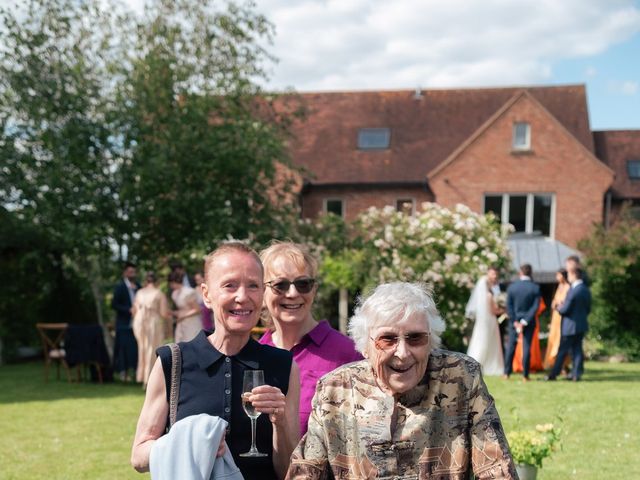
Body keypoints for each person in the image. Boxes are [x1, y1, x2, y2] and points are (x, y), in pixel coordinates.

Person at [287, 282, 517, 479]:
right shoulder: (336, 388)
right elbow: (306, 469)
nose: (403, 352)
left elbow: (496, 467)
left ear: (431, 340)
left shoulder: (459, 377)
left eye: (415, 338)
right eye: (388, 339)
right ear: (365, 346)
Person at [131, 242, 300, 479]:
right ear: (207, 295)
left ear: (262, 293)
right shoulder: (172, 362)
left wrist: (280, 422)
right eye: (230, 285)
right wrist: (193, 441)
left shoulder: (283, 366)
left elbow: (289, 472)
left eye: (253, 285)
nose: (242, 297)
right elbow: (138, 457)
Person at [258, 241, 362, 435]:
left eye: (303, 284)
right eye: (280, 285)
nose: (292, 293)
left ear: (313, 290)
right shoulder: (253, 356)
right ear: (262, 291)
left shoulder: (349, 354)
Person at [546, 266, 591, 382]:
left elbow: (565, 309)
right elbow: (588, 308)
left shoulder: (574, 290)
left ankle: (554, 374)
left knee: (562, 351)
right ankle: (575, 374)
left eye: (569, 275)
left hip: (570, 326)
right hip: (580, 325)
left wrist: (557, 306)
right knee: (577, 351)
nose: (568, 277)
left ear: (574, 275)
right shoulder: (585, 289)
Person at [132, 272, 171, 388]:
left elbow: (134, 310)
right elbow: (164, 313)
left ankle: (143, 377)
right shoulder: (159, 294)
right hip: (153, 322)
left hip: (139, 322)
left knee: (143, 349)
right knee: (152, 349)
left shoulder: (139, 292)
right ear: (157, 281)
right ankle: (150, 380)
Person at [503, 264, 540, 382]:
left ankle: (506, 373)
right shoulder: (535, 288)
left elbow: (509, 306)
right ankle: (525, 375)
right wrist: (525, 321)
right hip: (529, 322)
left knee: (510, 347)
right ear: (531, 273)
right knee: (527, 347)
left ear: (520, 272)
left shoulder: (512, 287)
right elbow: (535, 307)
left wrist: (515, 321)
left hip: (514, 321)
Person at [466, 266, 505, 375]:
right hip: (487, 319)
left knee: (489, 341)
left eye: (496, 274)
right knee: (483, 341)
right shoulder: (484, 285)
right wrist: (503, 310)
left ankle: (487, 364)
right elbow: (491, 308)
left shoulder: (494, 286)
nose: (495, 276)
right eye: (493, 273)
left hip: (490, 319)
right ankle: (478, 363)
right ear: (488, 273)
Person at [112, 261, 140, 381]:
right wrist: (128, 310)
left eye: (133, 272)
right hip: (124, 323)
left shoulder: (138, 287)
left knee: (134, 348)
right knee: (123, 348)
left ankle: (134, 372)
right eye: (130, 272)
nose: (132, 274)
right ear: (125, 273)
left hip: (137, 324)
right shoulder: (120, 287)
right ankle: (123, 372)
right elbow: (114, 304)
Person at [543, 268, 571, 370]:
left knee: (560, 340)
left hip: (562, 317)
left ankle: (563, 365)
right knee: (554, 338)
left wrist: (559, 304)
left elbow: (566, 302)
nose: (557, 278)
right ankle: (553, 362)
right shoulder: (559, 287)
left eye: (558, 275)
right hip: (555, 317)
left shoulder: (568, 287)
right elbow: (554, 302)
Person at [512, 296, 545, 373]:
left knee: (525, 344)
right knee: (528, 345)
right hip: (531, 321)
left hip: (520, 320)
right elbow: (539, 308)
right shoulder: (535, 292)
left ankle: (524, 365)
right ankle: (526, 365)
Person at [168, 271, 202, 343]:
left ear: (173, 282)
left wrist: (183, 316)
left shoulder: (188, 292)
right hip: (181, 323)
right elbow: (182, 309)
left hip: (191, 321)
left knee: (191, 341)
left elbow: (197, 309)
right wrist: (172, 313)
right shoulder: (175, 294)